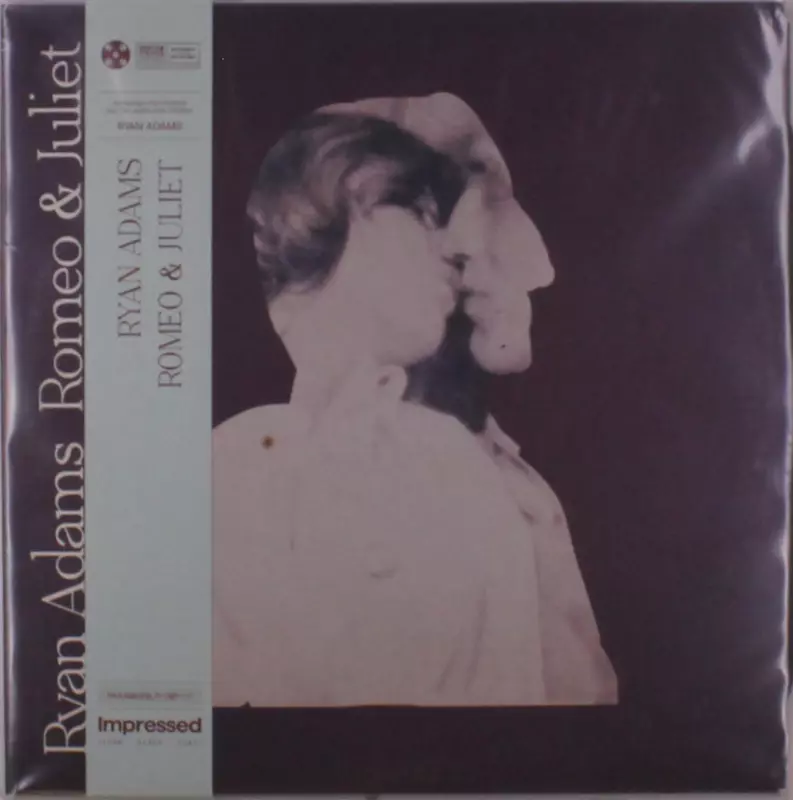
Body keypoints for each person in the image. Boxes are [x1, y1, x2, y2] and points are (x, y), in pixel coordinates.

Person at [213, 94, 617, 707]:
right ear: (325, 200)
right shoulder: (236, 465)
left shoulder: (470, 462)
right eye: (423, 213)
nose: (454, 248)